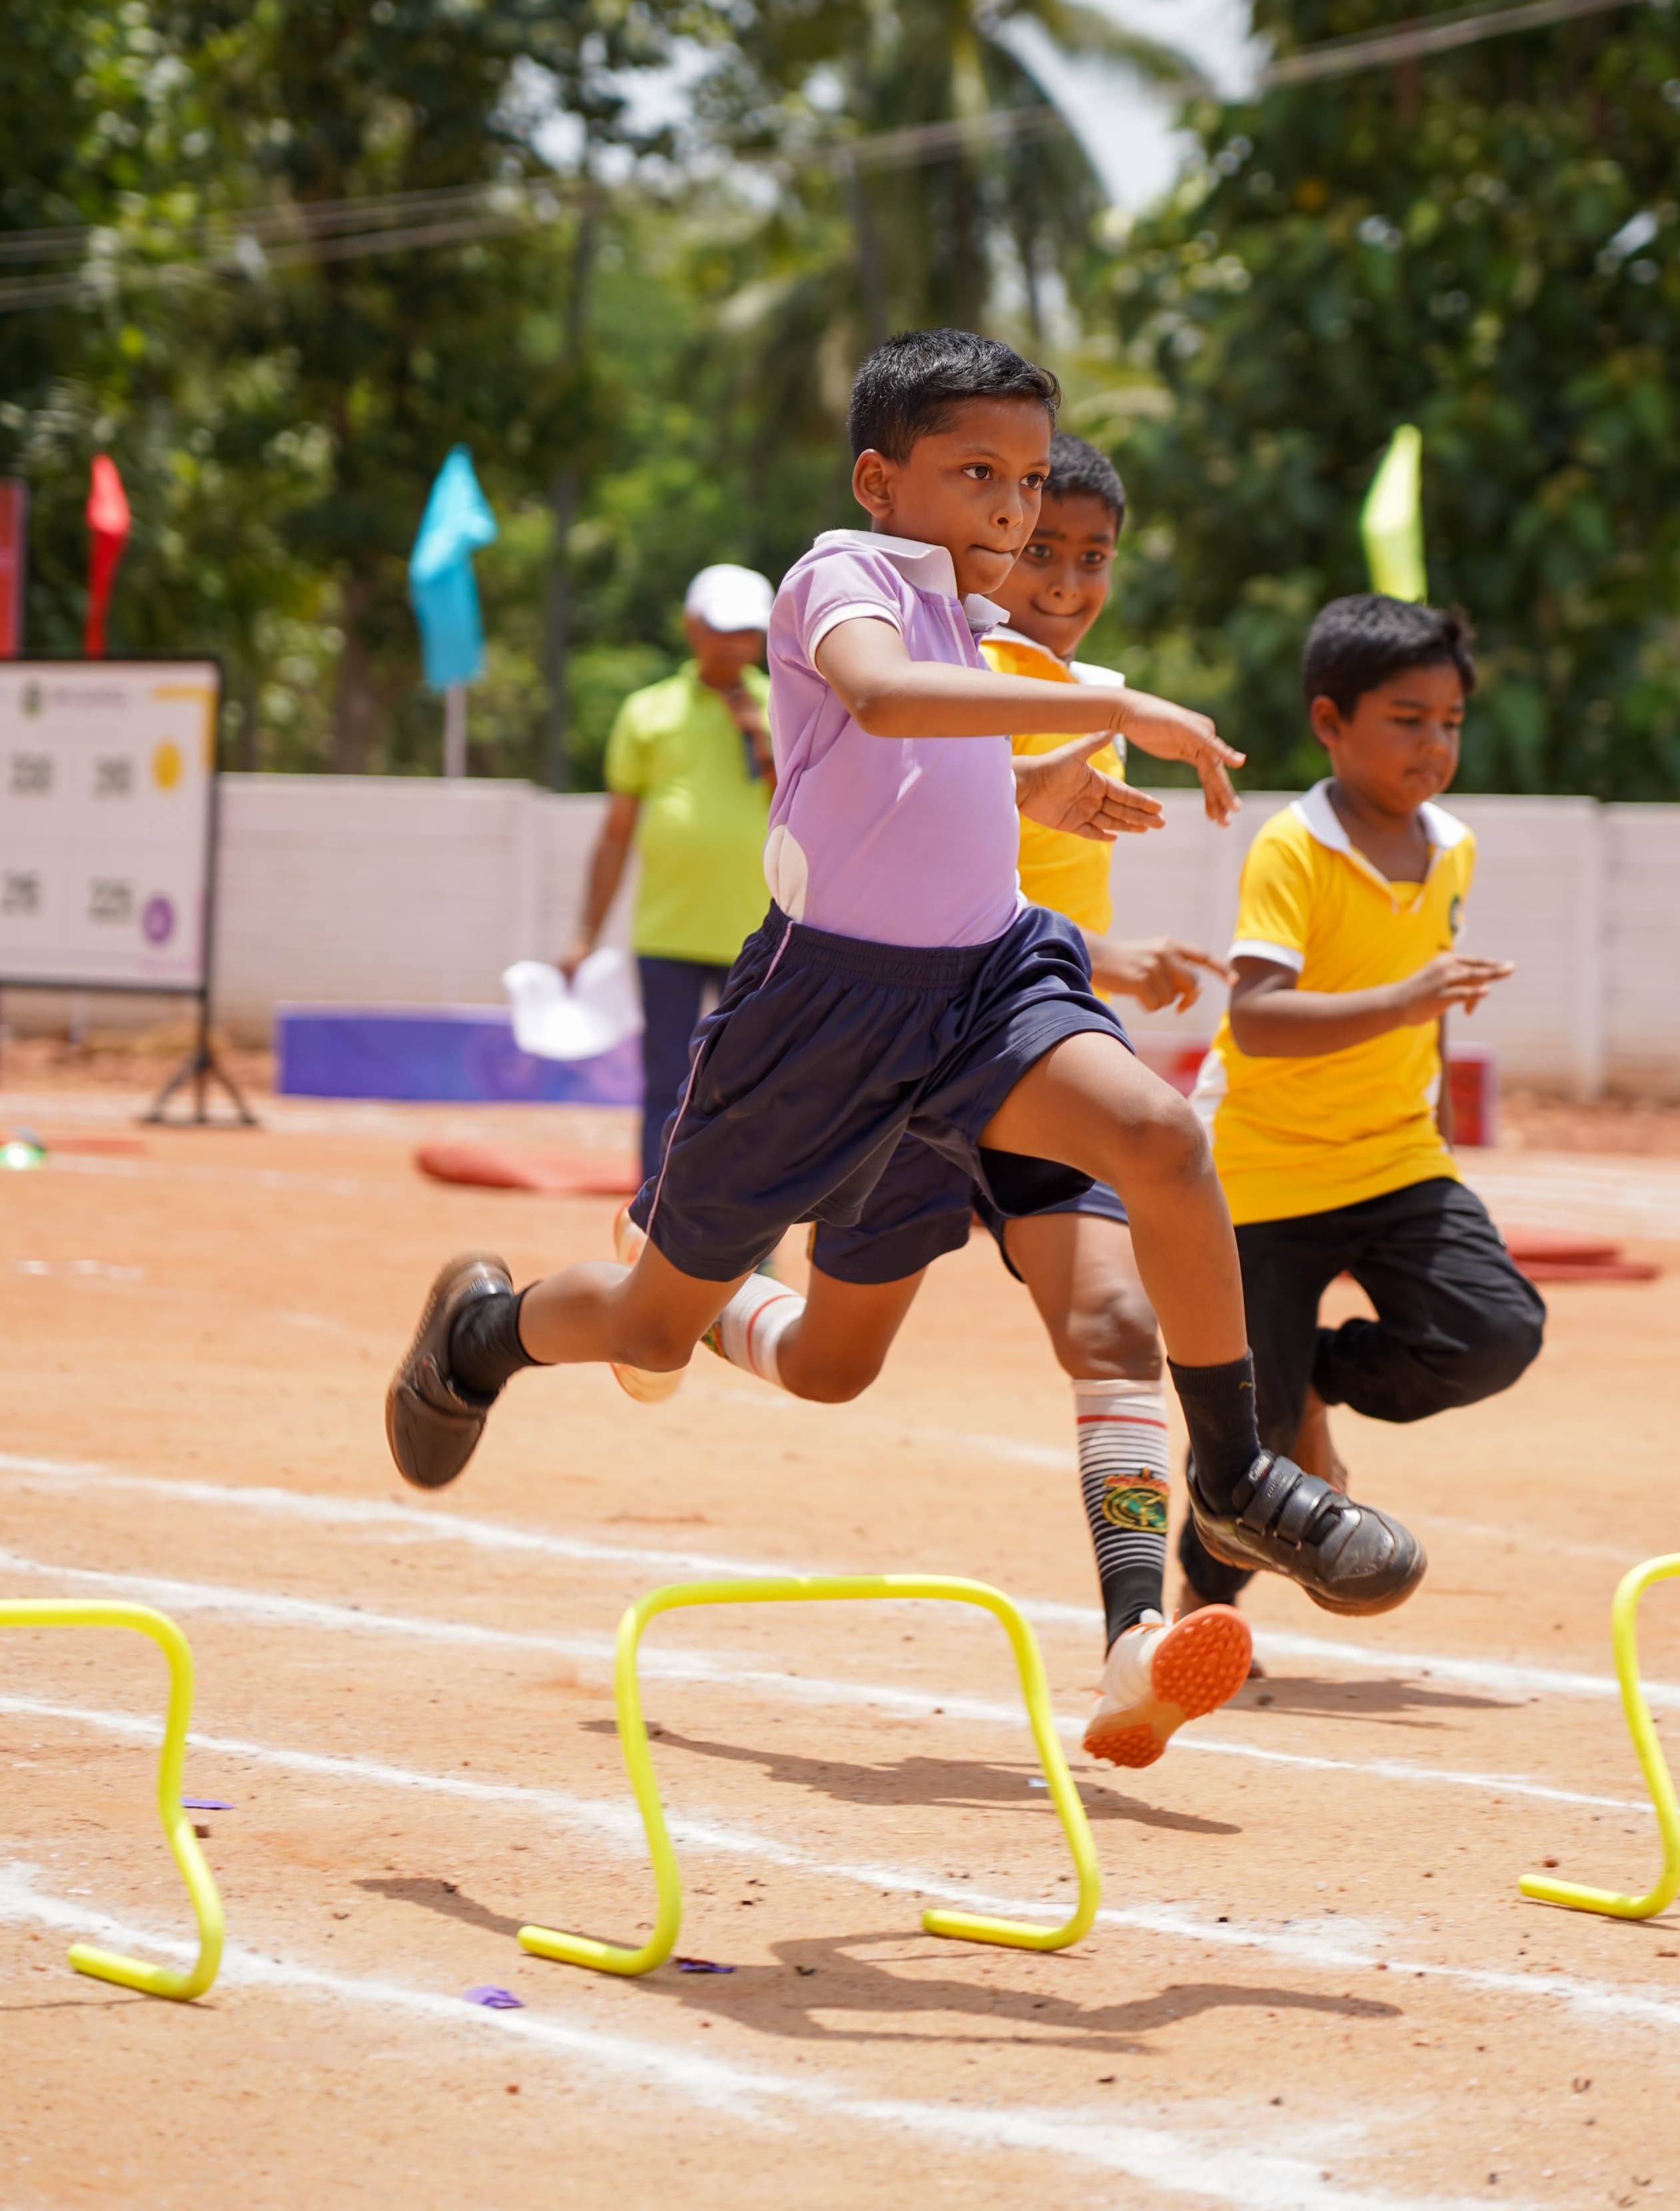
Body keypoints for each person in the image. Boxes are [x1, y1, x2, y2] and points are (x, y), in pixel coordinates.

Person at [387, 331, 1427, 1643]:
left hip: (990, 977)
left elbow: (938, 777)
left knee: (1160, 1136)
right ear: (879, 478)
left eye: (1032, 478)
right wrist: (1123, 714)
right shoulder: (843, 574)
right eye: (975, 469)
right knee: (660, 1328)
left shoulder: (982, 626)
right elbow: (877, 698)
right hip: (823, 1004)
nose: (1012, 504)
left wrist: (1045, 775)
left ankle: (1233, 1478)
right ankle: (481, 1335)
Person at [695, 433, 1252, 1768]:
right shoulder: (940, 649)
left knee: (1114, 1324)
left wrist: (1104, 961)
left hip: (1041, 1048)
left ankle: (1134, 1643)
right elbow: (917, 808)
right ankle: (719, 1303)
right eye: (1032, 539)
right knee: (835, 1365)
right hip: (907, 1049)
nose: (1057, 574)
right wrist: (1064, 761)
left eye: (1088, 554)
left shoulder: (1065, 675)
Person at [1174, 591, 1546, 1623]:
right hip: (1258, 1172)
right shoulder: (1291, 849)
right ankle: (1203, 1615)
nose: (1434, 745)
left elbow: (1424, 1006)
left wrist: (1429, 1105)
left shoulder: (1453, 848)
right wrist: (1411, 999)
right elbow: (1256, 1017)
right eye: (1406, 719)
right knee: (1240, 1457)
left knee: (1492, 1332)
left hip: (1392, 1161)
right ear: (1328, 723)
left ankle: (1312, 1379)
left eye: (1450, 723)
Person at [560, 563, 775, 1185]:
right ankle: (655, 1218)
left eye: (747, 633)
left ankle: (744, 1233)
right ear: (690, 627)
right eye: (722, 629)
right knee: (667, 1085)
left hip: (759, 936)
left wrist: (764, 745)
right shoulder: (646, 711)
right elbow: (615, 834)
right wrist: (584, 933)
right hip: (667, 933)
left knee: (751, 1087)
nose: (735, 646)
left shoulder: (787, 705)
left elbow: (813, 814)